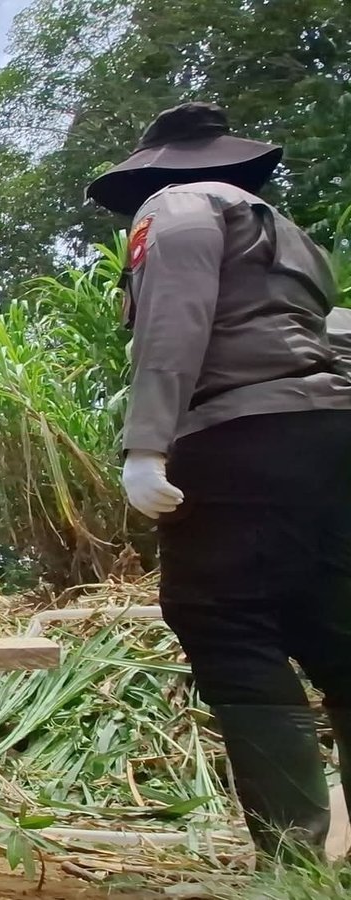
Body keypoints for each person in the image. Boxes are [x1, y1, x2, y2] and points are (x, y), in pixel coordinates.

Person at [87, 101, 351, 861]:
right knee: (334, 625)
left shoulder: (178, 207)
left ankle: (293, 855)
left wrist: (146, 447)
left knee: (222, 618)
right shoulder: (289, 233)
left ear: (155, 173)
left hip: (239, 435)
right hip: (326, 434)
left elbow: (175, 323)